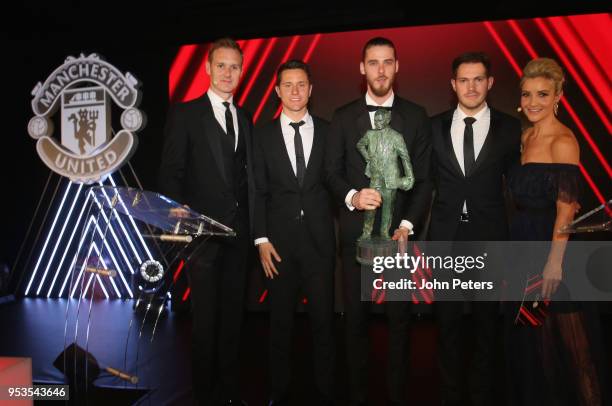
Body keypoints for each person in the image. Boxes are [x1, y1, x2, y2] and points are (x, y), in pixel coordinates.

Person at [325, 36, 432, 406]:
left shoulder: (417, 117)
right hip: (357, 237)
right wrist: (352, 197)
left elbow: (424, 180)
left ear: (397, 66)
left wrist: (408, 225)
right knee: (354, 322)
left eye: (387, 62)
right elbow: (331, 172)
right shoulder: (342, 117)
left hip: (399, 239)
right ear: (362, 68)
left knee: (400, 324)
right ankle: (357, 396)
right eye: (373, 62)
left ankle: (397, 396)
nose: (381, 70)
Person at [505, 57, 606, 406]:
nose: (533, 102)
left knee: (575, 347)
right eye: (527, 94)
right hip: (524, 246)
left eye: (543, 94)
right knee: (539, 344)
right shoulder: (526, 136)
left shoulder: (564, 141)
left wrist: (554, 263)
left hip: (555, 251)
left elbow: (565, 211)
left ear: (558, 96)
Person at [158, 38, 253, 406]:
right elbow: (170, 174)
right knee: (204, 325)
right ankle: (203, 396)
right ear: (208, 69)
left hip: (237, 237)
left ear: (242, 72)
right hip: (201, 239)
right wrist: (178, 217)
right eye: (222, 66)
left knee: (233, 322)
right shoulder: (184, 114)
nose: (228, 73)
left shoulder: (244, 116)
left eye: (235, 67)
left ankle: (229, 393)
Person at [429, 52, 521, 406]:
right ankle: (450, 394)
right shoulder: (433, 126)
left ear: (490, 83)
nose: (471, 86)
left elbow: (518, 184)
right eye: (463, 80)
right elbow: (424, 183)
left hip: (489, 238)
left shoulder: (510, 129)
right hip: (446, 237)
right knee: (447, 327)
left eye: (478, 79)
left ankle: (482, 394)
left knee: (486, 326)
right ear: (453, 85)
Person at [253, 60, 335, 406]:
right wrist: (260, 238)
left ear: (311, 89)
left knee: (324, 324)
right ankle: (279, 390)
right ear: (277, 91)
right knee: (281, 324)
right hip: (278, 246)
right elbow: (257, 190)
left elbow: (337, 182)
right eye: (288, 85)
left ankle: (328, 389)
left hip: (319, 244)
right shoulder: (261, 134)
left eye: (301, 84)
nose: (296, 91)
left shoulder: (331, 131)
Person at [356, 108, 414, 240]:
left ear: (388, 119)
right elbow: (360, 145)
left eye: (380, 120)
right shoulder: (370, 134)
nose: (377, 123)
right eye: (375, 120)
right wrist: (367, 157)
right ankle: (366, 232)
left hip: (391, 178)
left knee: (388, 208)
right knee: (370, 206)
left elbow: (405, 157)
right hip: (375, 177)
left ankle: (384, 232)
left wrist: (410, 176)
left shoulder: (396, 136)